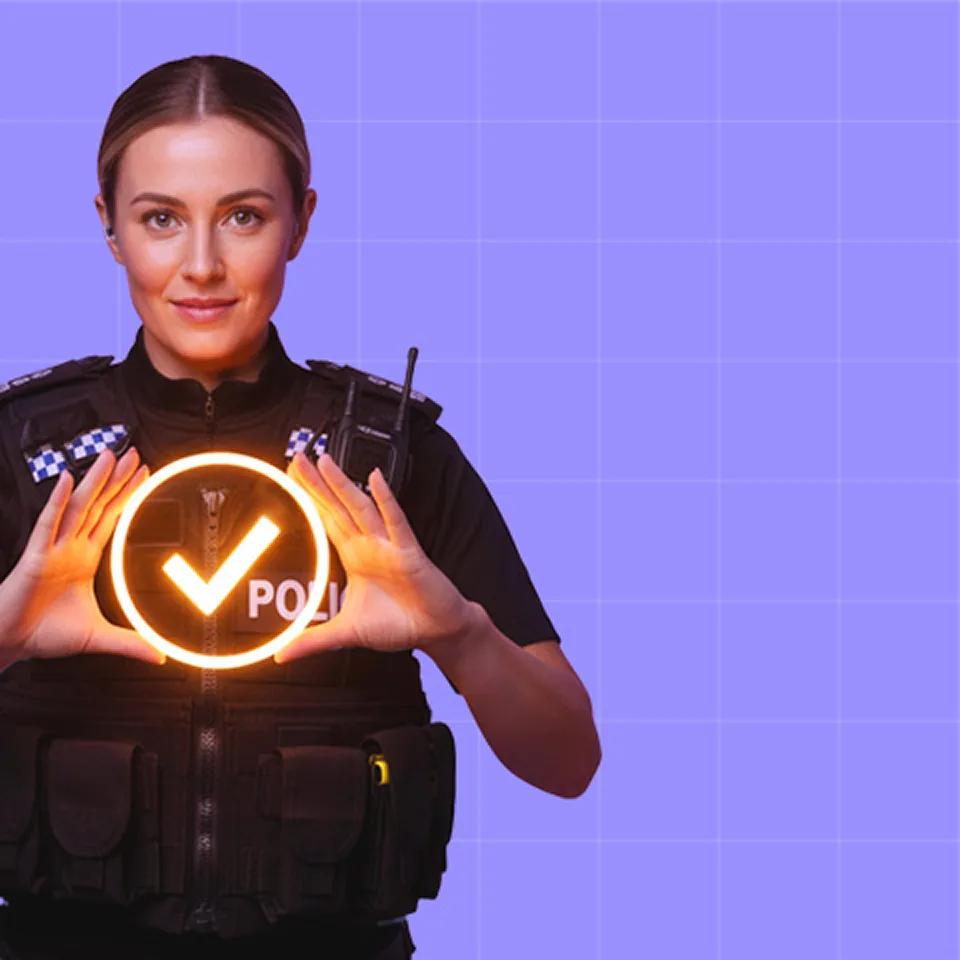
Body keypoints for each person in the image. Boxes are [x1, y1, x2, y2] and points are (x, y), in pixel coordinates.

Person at [0, 55, 601, 959]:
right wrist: (6, 633)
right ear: (110, 228)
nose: (201, 266)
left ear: (301, 222)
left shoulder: (393, 461)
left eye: (243, 216)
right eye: (160, 218)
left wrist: (458, 635)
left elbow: (567, 763)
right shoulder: (25, 454)